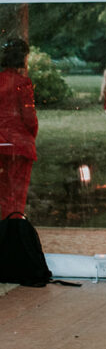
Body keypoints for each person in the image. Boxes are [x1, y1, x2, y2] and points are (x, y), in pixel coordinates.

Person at [0, 38, 38, 218]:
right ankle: (12, 235)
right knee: (15, 197)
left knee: (3, 193)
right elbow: (30, 119)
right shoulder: (22, 82)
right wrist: (30, 137)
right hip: (19, 144)